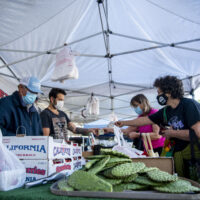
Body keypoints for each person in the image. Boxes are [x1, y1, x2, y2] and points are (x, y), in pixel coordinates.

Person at [115, 75, 200, 179]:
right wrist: (124, 123)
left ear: (168, 92)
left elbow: (197, 133)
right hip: (179, 154)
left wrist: (171, 133)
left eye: (159, 92)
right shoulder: (166, 111)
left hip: (194, 157)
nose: (158, 95)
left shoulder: (189, 105)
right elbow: (145, 120)